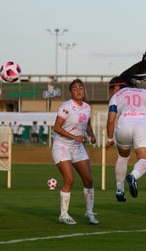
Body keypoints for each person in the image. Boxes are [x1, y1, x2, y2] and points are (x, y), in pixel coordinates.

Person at [106, 52, 146, 202]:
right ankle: (134, 176)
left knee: (123, 157)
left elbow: (111, 120)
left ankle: (119, 191)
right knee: (144, 158)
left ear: (117, 86)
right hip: (142, 124)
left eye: (111, 88)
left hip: (124, 125)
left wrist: (110, 138)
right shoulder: (143, 92)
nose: (111, 92)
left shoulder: (116, 96)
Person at [52, 79, 98, 225]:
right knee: (69, 180)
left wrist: (91, 135)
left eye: (80, 87)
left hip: (78, 148)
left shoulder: (87, 107)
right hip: (62, 146)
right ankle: (63, 214)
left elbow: (87, 124)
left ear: (84, 90)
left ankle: (90, 213)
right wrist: (75, 137)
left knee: (89, 181)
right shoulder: (66, 106)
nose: (78, 90)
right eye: (75, 88)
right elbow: (57, 127)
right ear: (71, 92)